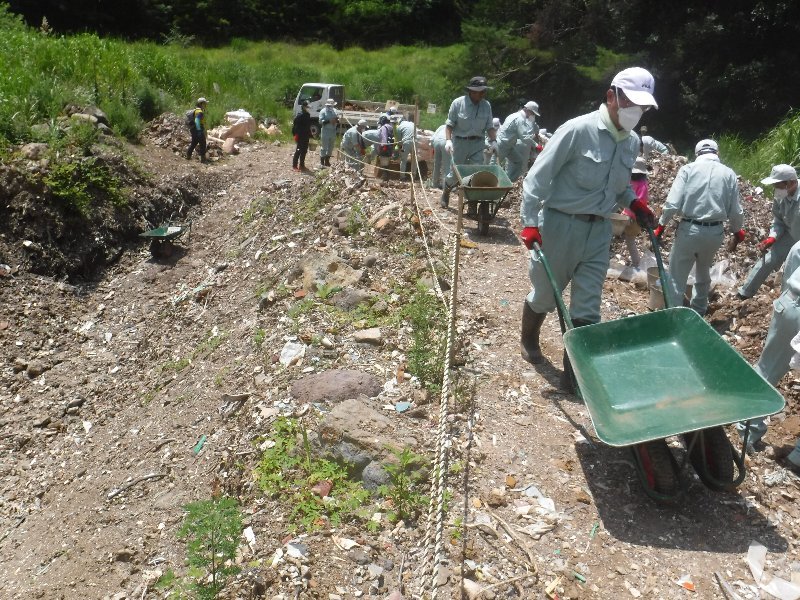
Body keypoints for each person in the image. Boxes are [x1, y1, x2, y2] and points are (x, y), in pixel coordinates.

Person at [518, 67, 658, 392]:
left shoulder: (631, 142)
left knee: (587, 307)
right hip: (559, 226)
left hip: (598, 231)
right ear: (611, 96)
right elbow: (536, 179)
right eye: (630, 102)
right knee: (545, 295)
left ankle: (573, 376)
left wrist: (634, 204)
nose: (635, 111)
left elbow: (620, 187)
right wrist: (529, 223)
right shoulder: (577, 130)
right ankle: (529, 338)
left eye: (642, 106)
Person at [653, 139, 745, 315]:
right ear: (716, 153)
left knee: (676, 277)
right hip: (715, 233)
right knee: (703, 273)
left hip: (690, 230)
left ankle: (674, 315)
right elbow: (735, 210)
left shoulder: (688, 169)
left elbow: (672, 203)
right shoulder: (729, 174)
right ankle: (699, 313)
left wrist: (661, 225)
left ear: (697, 154)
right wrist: (737, 230)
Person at [736, 239, 800, 458]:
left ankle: (746, 429)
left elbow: (794, 257)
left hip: (792, 303)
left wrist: (787, 300)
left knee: (768, 368)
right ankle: (798, 455)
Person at [738, 164, 800, 299]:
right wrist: (772, 237)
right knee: (769, 259)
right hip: (791, 235)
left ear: (791, 183)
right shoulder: (780, 195)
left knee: (793, 269)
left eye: (778, 185)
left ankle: (789, 300)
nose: (776, 189)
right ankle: (745, 292)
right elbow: (779, 220)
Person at [440, 76, 497, 208]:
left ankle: (472, 202)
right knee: (455, 173)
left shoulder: (486, 105)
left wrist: (494, 141)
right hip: (460, 142)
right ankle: (446, 191)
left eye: (484, 91)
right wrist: (448, 140)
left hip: (478, 143)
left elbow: (489, 126)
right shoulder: (458, 103)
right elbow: (449, 125)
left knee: (476, 173)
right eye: (480, 91)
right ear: (471, 91)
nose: (482, 94)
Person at [496, 101, 540, 182]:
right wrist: (536, 145)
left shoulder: (515, 115)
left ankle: (509, 182)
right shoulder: (520, 119)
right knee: (493, 167)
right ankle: (486, 185)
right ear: (528, 110)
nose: (533, 115)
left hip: (509, 145)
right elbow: (524, 137)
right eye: (532, 113)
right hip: (502, 145)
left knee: (519, 162)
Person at [619, 156, 650, 268]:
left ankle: (637, 264)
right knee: (628, 240)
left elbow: (638, 204)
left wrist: (628, 214)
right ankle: (635, 263)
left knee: (630, 241)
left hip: (634, 218)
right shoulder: (631, 181)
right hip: (628, 215)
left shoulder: (642, 185)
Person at [186, 97, 209, 163]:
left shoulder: (196, 110)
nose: (205, 105)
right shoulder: (200, 112)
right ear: (201, 104)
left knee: (194, 143)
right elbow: (197, 120)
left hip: (193, 129)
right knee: (203, 143)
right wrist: (199, 131)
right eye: (204, 104)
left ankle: (188, 156)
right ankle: (203, 160)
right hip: (198, 129)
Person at [291, 100, 312, 172]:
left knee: (304, 150)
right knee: (298, 150)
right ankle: (294, 165)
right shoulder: (300, 115)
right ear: (303, 107)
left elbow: (308, 126)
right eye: (307, 107)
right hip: (300, 135)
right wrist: (295, 134)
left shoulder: (308, 115)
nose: (308, 108)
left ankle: (302, 165)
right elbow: (295, 126)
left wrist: (310, 134)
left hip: (306, 135)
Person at [318, 98, 339, 167]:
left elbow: (337, 118)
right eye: (330, 105)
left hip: (333, 131)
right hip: (325, 130)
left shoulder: (335, 111)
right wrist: (329, 121)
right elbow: (320, 121)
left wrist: (336, 120)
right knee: (324, 146)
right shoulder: (323, 111)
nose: (331, 107)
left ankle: (327, 161)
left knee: (331, 147)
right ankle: (322, 162)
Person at [430, 124, 447, 189]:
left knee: (436, 164)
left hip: (436, 141)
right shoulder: (454, 127)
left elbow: (432, 138)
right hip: (445, 142)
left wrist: (432, 146)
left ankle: (435, 184)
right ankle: (445, 185)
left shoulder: (441, 126)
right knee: (446, 165)